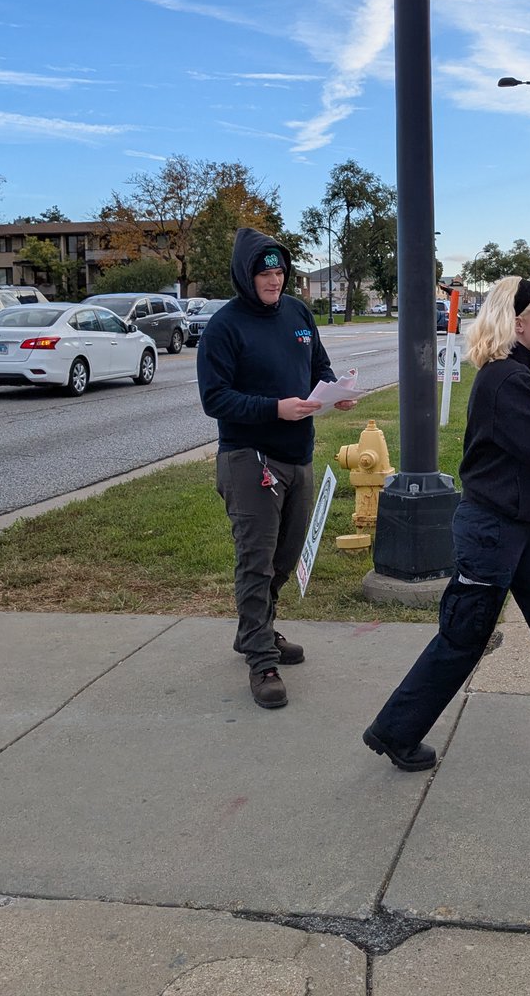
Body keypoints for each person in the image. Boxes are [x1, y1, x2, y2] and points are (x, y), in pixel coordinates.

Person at [363, 276, 530, 771]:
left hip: (523, 530)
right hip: (492, 533)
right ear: (517, 322)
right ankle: (395, 731)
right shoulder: (506, 381)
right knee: (464, 635)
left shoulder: (514, 374)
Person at [197, 228, 355, 710]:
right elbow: (215, 398)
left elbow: (317, 367)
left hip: (298, 454)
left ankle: (257, 629)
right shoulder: (225, 327)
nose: (274, 280)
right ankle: (261, 660)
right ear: (246, 276)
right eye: (264, 273)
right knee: (256, 559)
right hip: (250, 458)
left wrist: (335, 390)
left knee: (286, 557)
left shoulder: (298, 313)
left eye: (280, 271)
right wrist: (273, 409)